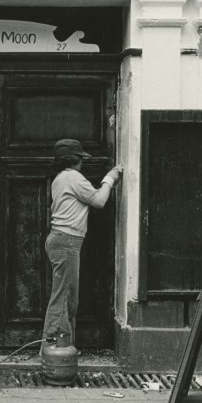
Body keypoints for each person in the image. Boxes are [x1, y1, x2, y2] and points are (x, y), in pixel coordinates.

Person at [43, 139, 122, 349]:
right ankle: (54, 351)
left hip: (62, 240)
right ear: (75, 160)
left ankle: (63, 349)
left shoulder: (60, 178)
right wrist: (110, 179)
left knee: (66, 298)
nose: (82, 163)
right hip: (67, 241)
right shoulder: (73, 177)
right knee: (64, 299)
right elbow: (99, 201)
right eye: (80, 159)